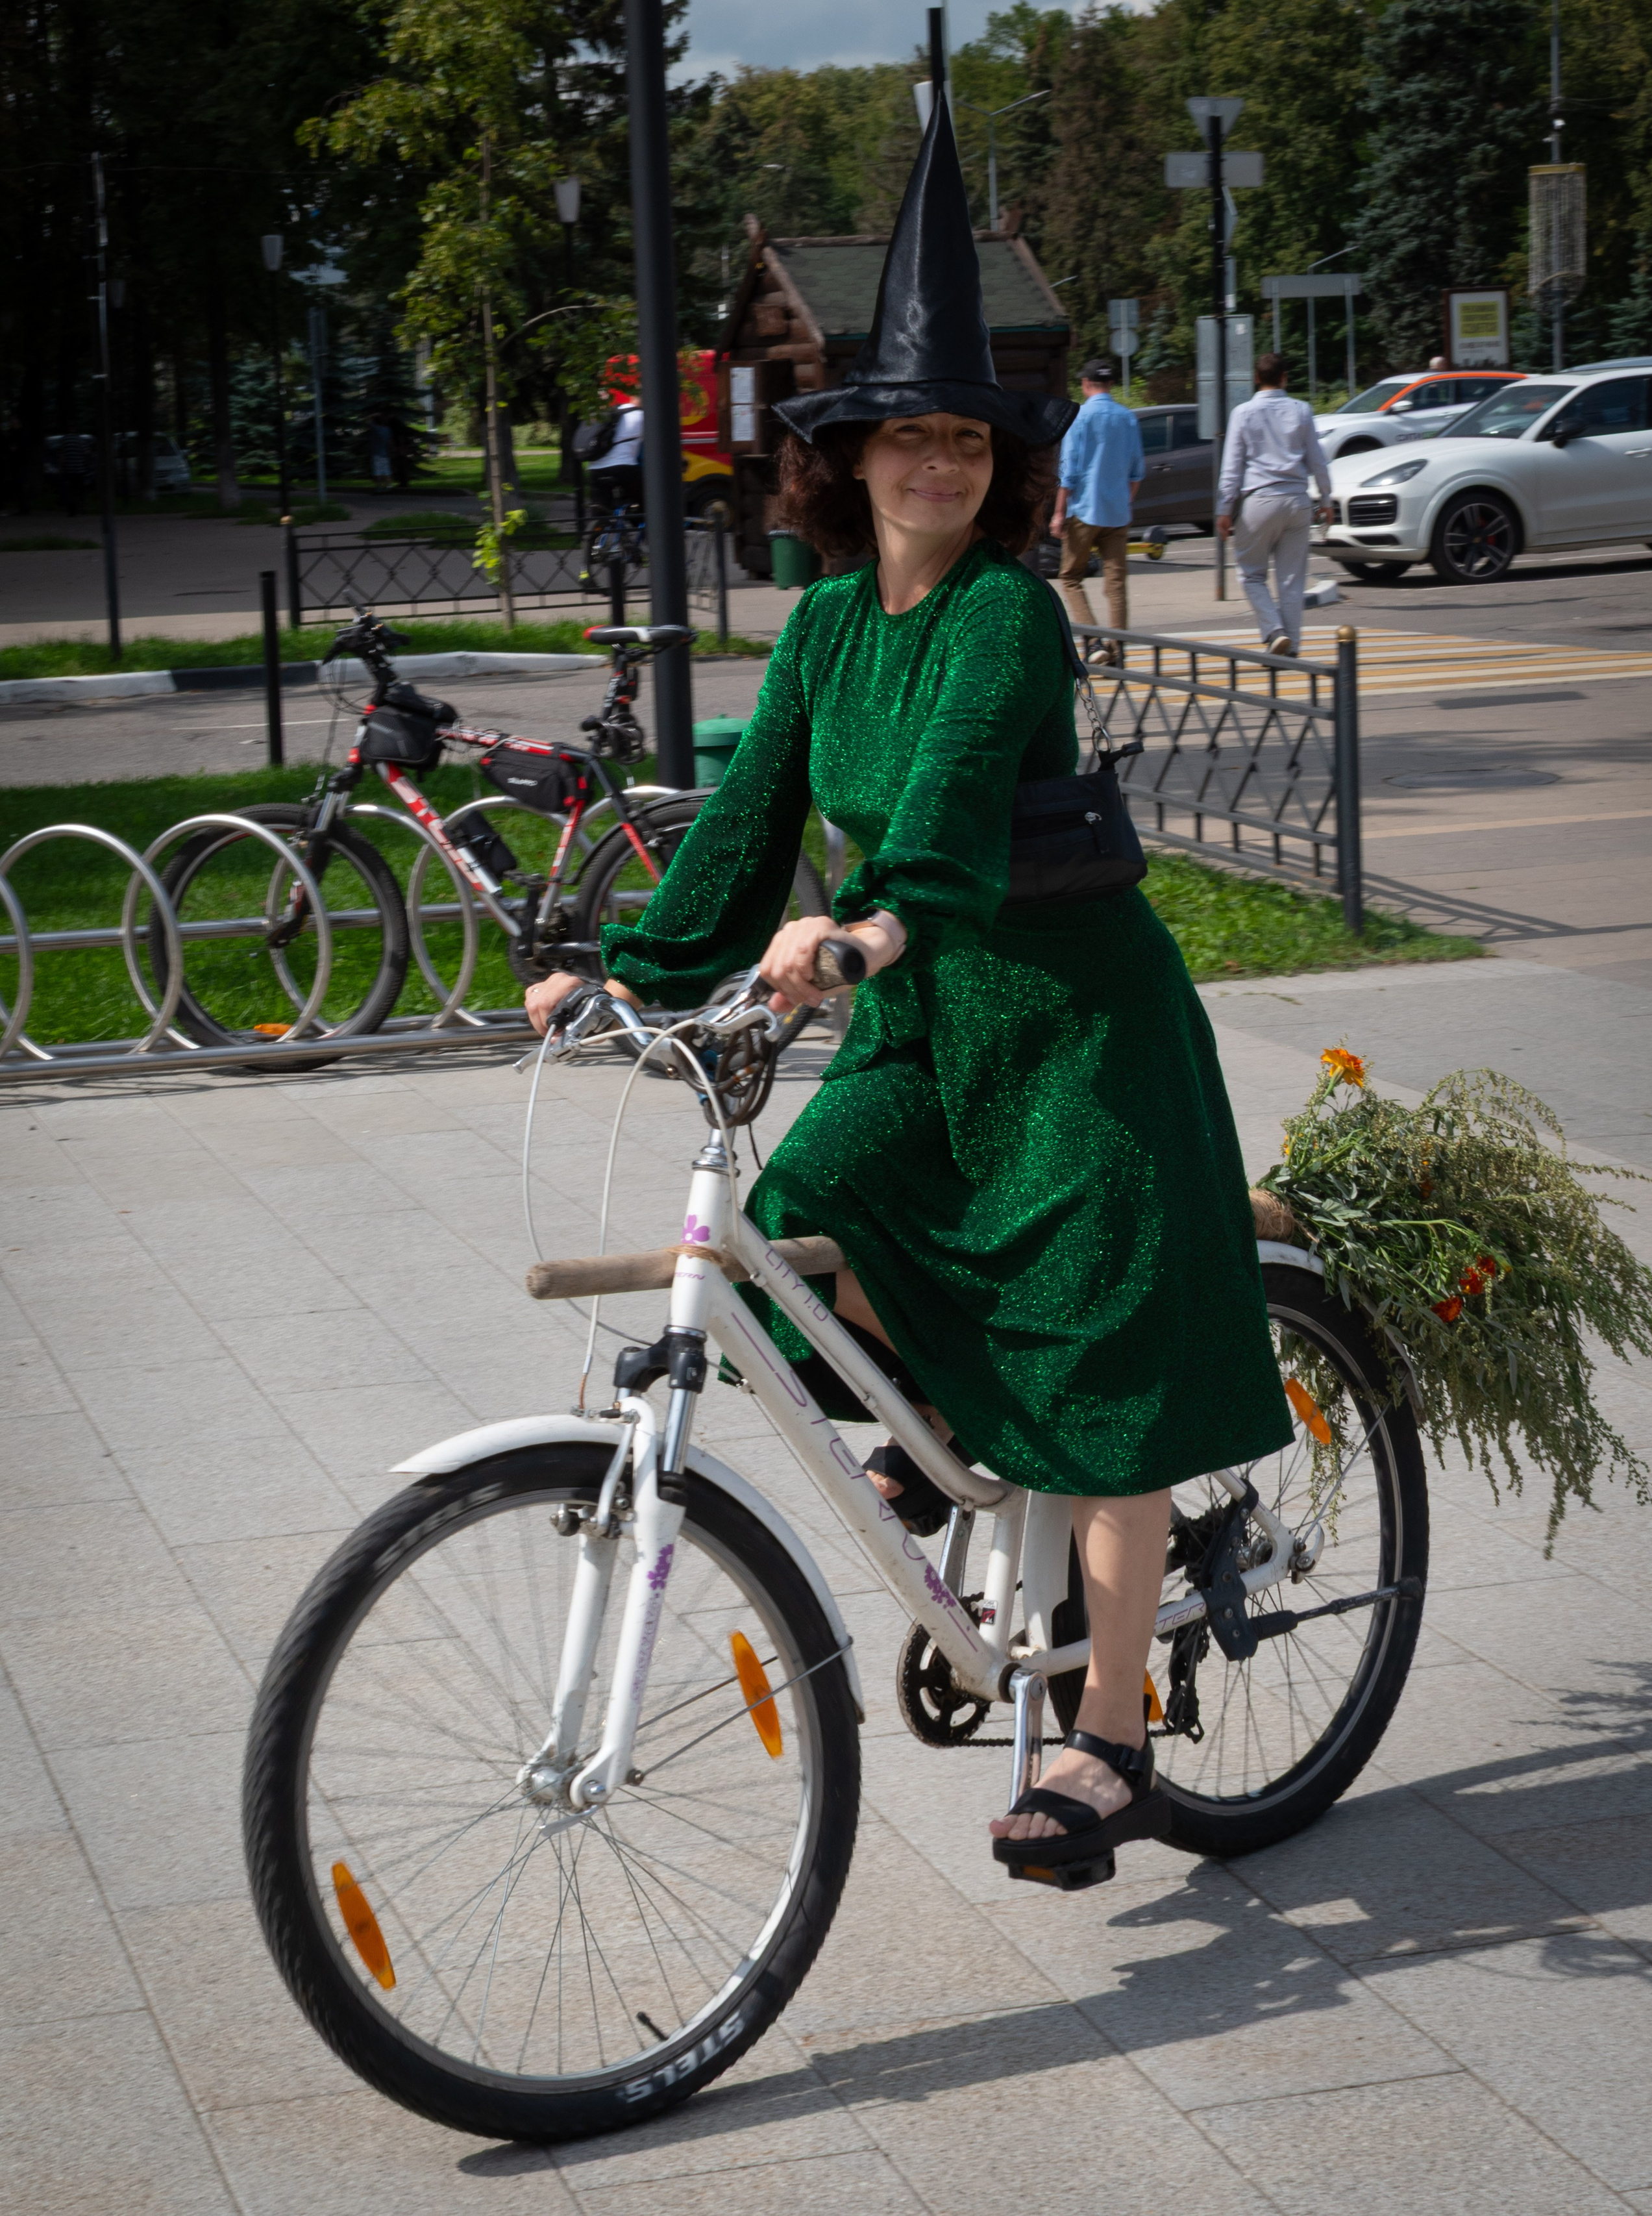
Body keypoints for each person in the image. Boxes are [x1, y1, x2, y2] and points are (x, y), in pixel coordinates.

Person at [524, 87, 1292, 1888]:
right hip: (935, 1023)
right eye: (907, 444)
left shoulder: (1008, 616)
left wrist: (860, 935)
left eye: (966, 443)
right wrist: (614, 968)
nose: (937, 469)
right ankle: (947, 1457)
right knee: (801, 1217)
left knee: (1101, 1378)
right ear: (848, 463)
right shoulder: (817, 626)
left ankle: (1109, 1735)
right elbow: (744, 823)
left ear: (996, 467)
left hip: (1076, 1029)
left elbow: (944, 815)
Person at [1216, 352, 1333, 658]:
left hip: (1260, 501)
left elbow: (1232, 467)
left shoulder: (1243, 413)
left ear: (1257, 379)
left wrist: (1224, 510)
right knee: (1292, 581)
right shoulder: (1302, 411)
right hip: (1297, 502)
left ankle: (1274, 630)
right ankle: (1291, 646)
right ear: (1285, 378)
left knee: (1252, 573)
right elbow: (1317, 461)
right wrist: (1327, 499)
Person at [1050, 358, 1144, 666]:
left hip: (1084, 512)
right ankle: (1118, 650)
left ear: (1087, 385)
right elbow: (1137, 472)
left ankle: (1093, 644)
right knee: (1116, 584)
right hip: (1118, 513)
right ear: (1111, 385)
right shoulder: (1128, 418)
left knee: (1071, 577)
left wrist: (1059, 513)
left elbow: (1069, 471)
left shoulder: (1079, 418)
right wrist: (1124, 502)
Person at [587, 398, 645, 516]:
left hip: (596, 469)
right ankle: (649, 531)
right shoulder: (642, 416)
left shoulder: (606, 414)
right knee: (649, 502)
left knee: (601, 511)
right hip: (624, 467)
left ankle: (597, 531)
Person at [367, 415, 393, 490]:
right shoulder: (387, 429)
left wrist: (373, 415)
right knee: (387, 471)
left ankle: (379, 487)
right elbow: (390, 442)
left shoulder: (375, 429)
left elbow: (367, 422)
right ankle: (389, 486)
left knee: (377, 472)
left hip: (376, 454)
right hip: (386, 454)